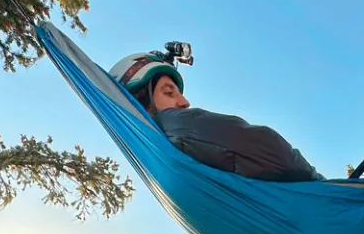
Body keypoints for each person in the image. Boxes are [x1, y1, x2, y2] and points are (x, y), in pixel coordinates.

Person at [109, 52, 326, 182]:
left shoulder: (160, 164)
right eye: (169, 92)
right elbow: (278, 155)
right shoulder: (175, 128)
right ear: (139, 99)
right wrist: (321, 183)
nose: (185, 103)